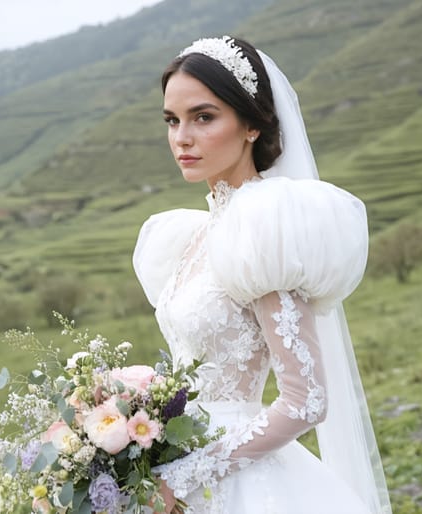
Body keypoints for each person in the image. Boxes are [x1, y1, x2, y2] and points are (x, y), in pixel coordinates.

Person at [133, 36, 393, 514]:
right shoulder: (187, 236)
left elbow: (305, 399)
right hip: (180, 462)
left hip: (236, 480)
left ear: (251, 124)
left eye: (203, 117)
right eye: (172, 120)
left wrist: (188, 475)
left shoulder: (265, 227)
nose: (182, 137)